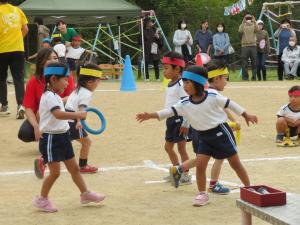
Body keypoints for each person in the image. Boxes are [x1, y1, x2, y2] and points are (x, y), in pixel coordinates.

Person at [136, 65, 257, 206]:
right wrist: (150, 115)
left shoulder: (212, 96)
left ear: (198, 83)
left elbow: (231, 104)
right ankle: (202, 194)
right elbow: (168, 111)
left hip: (221, 134)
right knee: (200, 166)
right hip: (203, 137)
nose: (185, 86)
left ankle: (249, 188)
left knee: (235, 164)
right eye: (184, 82)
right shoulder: (184, 103)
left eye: (188, 82)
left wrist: (246, 115)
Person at [32, 62, 105, 213]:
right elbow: (58, 114)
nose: (68, 82)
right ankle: (42, 199)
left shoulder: (56, 96)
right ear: (53, 79)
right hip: (52, 139)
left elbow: (45, 114)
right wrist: (77, 115)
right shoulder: (49, 97)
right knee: (55, 172)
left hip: (63, 136)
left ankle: (85, 194)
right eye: (65, 79)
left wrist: (76, 119)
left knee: (75, 169)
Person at [168, 60, 240, 195]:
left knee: (201, 159)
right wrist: (234, 121)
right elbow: (223, 109)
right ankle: (213, 184)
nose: (226, 82)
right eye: (225, 78)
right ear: (216, 78)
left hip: (198, 131)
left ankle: (179, 169)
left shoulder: (203, 90)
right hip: (208, 132)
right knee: (220, 156)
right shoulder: (212, 94)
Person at [160, 51, 191, 185]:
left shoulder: (181, 85)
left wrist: (186, 123)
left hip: (180, 120)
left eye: (166, 68)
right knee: (168, 147)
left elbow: (187, 104)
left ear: (177, 69)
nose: (164, 71)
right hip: (171, 120)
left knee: (181, 148)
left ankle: (185, 174)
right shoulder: (170, 83)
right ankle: (177, 171)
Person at [65, 64, 102, 174]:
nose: (98, 84)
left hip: (67, 118)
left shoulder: (77, 88)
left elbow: (72, 103)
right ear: (90, 82)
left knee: (61, 143)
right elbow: (81, 110)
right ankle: (83, 165)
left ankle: (43, 160)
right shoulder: (86, 93)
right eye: (98, 81)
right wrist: (80, 121)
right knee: (87, 142)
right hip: (74, 121)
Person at [0, 0, 28, 118]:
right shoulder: (18, 10)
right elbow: (25, 29)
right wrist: (17, 40)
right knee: (19, 78)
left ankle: (4, 106)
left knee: (1, 78)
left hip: (2, 49)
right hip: (18, 49)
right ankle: (21, 105)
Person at [139, 17, 163, 81]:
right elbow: (139, 41)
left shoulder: (154, 29)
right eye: (150, 22)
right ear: (146, 23)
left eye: (151, 22)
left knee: (156, 63)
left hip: (154, 46)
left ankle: (157, 78)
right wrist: (144, 44)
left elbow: (160, 42)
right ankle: (147, 77)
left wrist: (157, 37)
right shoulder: (142, 31)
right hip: (146, 48)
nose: (151, 23)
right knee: (146, 63)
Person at [239, 13, 258, 81]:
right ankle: (245, 78)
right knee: (244, 63)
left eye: (249, 18)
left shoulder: (254, 24)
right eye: (247, 18)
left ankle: (254, 77)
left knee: (254, 63)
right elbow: (240, 31)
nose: (248, 19)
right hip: (244, 46)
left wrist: (255, 21)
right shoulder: (243, 25)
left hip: (253, 45)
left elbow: (257, 30)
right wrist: (243, 21)